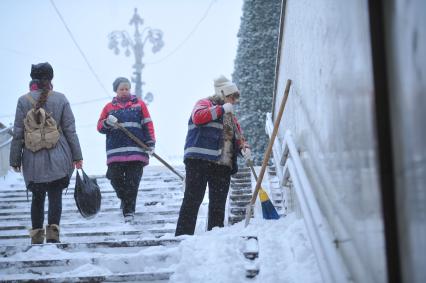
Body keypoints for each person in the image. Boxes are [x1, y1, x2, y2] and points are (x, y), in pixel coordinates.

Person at [9, 62, 83, 244]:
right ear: (51, 78)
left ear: (32, 78)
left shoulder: (23, 100)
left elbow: (18, 133)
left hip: (33, 158)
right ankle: (53, 238)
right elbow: (70, 130)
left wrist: (15, 159)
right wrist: (77, 156)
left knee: (37, 198)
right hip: (59, 156)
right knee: (55, 197)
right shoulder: (61, 98)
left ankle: (36, 239)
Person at [175, 75, 251, 236]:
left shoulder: (231, 116)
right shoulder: (204, 104)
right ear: (223, 94)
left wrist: (244, 148)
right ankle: (182, 237)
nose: (235, 101)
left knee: (218, 204)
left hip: (223, 164)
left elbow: (238, 137)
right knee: (193, 200)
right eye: (232, 97)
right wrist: (221, 109)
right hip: (198, 161)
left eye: (236, 97)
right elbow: (198, 117)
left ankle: (214, 237)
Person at [97, 77, 155, 223]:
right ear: (116, 90)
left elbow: (147, 124)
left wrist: (150, 143)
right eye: (121, 89)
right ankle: (125, 199)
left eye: (127, 88)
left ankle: (129, 211)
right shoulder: (109, 108)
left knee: (132, 182)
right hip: (115, 152)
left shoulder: (139, 105)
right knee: (114, 177)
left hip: (136, 151)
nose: (124, 91)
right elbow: (99, 127)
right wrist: (107, 123)